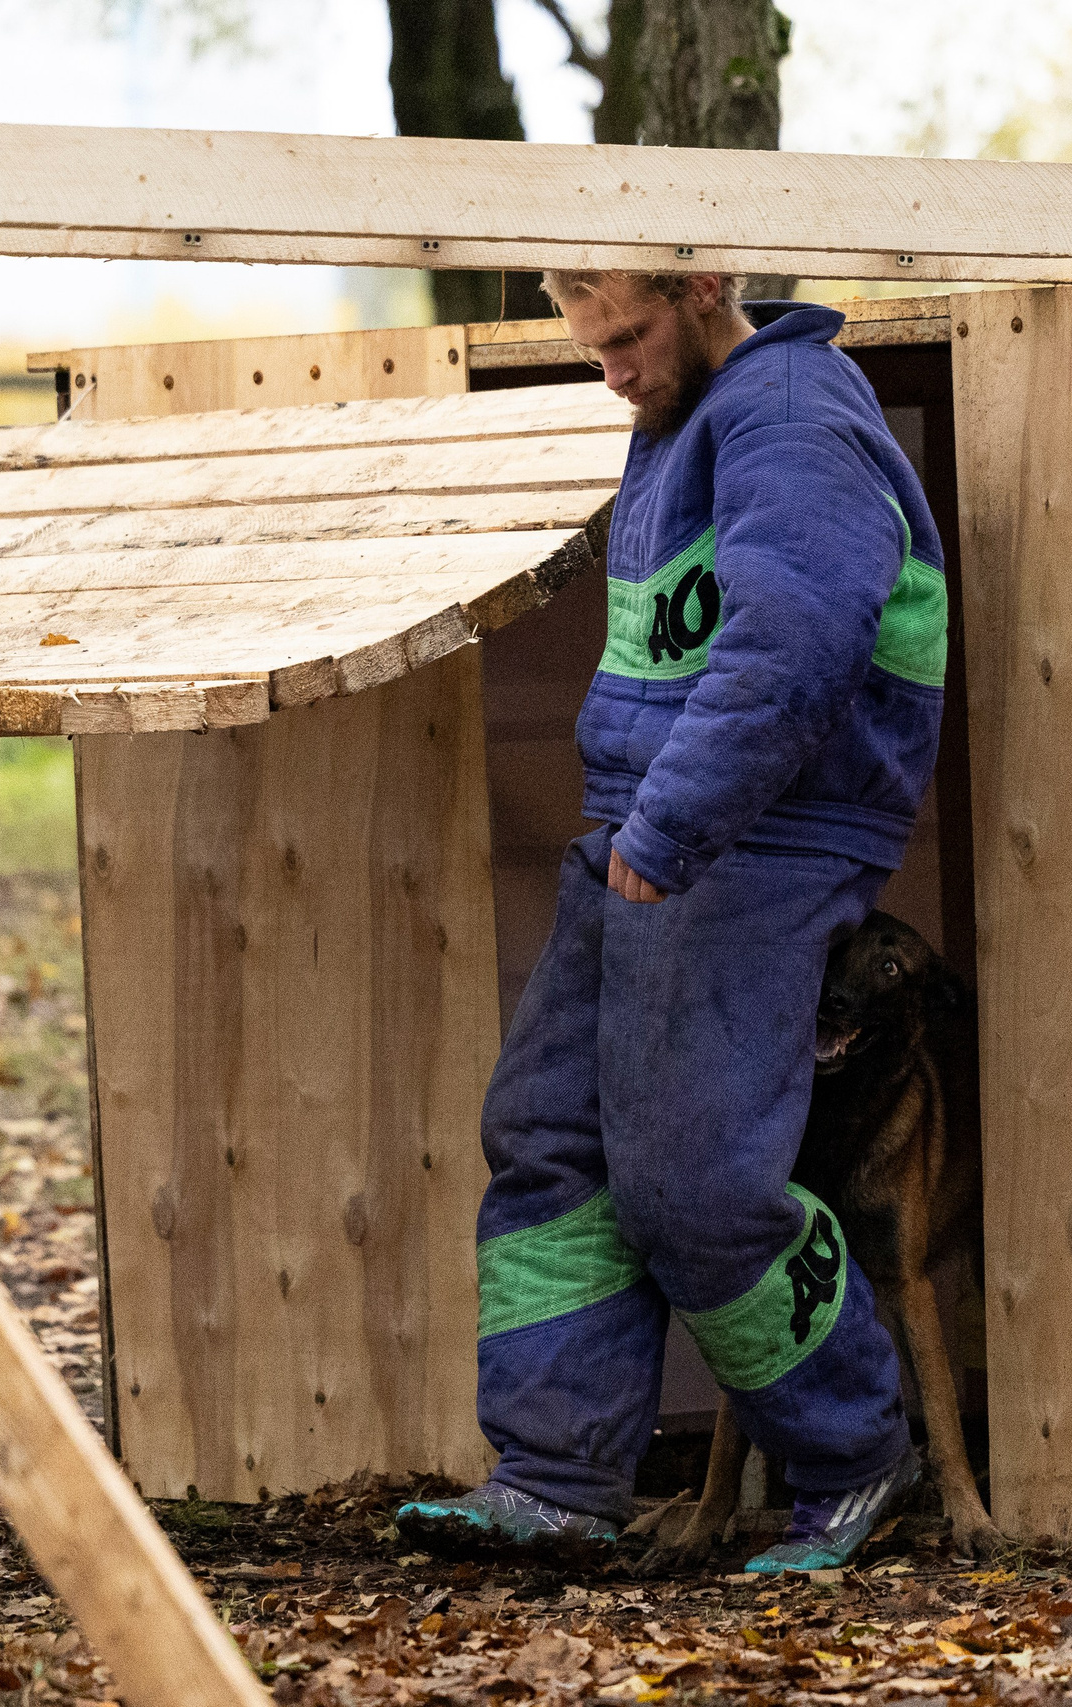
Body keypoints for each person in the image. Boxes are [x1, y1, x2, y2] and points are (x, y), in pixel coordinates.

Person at [398, 273, 949, 1574]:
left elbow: (800, 642)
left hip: (751, 836)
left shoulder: (792, 416)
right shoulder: (676, 416)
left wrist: (669, 825)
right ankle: (553, 1475)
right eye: (590, 344)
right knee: (547, 1131)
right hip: (650, 824)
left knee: (694, 1183)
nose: (613, 372)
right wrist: (639, 824)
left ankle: (857, 1453)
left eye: (629, 337)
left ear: (705, 288)